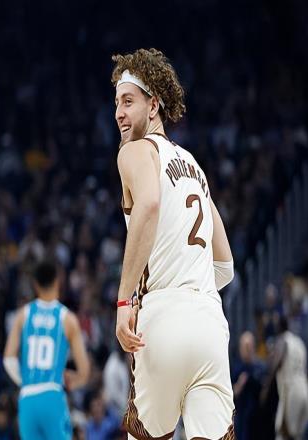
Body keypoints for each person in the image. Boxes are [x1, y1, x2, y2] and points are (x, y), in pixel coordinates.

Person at [112, 48, 235, 440]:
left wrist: (124, 301)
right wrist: (191, 286)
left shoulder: (135, 151)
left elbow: (149, 203)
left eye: (128, 102)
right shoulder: (194, 167)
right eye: (116, 104)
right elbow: (225, 266)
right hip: (210, 324)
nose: (118, 114)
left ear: (154, 105)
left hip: (162, 319)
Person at [3, 260, 90, 440]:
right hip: (52, 394)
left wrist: (27, 381)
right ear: (58, 281)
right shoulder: (68, 319)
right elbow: (84, 372)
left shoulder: (23, 315)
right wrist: (70, 381)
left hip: (27, 398)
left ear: (35, 284)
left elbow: (9, 360)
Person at [262, 316, 308, 440]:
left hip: (291, 390)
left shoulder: (282, 341)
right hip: (305, 389)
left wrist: (266, 388)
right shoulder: (299, 341)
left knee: (282, 432)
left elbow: (276, 364)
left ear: (278, 327)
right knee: (301, 434)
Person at [232, 331, 267, 440]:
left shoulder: (260, 368)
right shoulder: (236, 368)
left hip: (257, 420)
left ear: (253, 347)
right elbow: (231, 394)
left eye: (249, 346)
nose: (247, 350)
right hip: (241, 420)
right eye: (244, 347)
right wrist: (239, 385)